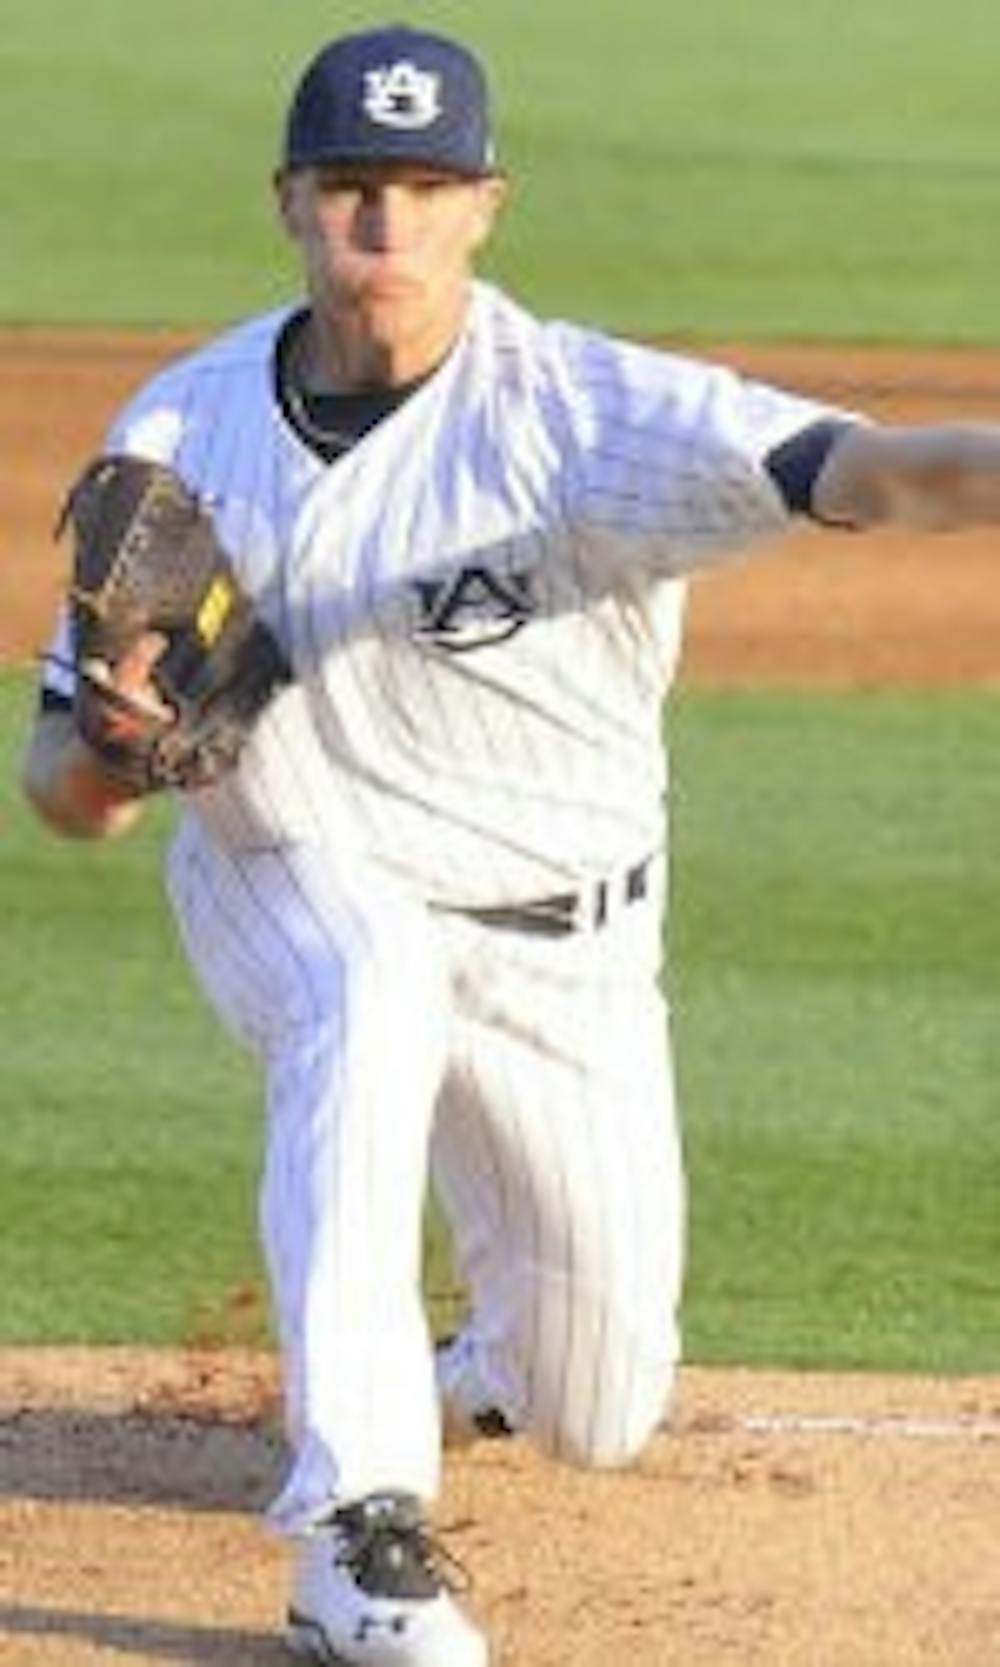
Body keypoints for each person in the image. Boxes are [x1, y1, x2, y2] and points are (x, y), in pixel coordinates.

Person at [21, 22, 1000, 1667]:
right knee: (372, 973)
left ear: (487, 204)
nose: (383, 228)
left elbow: (873, 472)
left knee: (595, 1407)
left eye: (419, 187)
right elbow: (59, 780)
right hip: (294, 881)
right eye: (349, 188)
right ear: (289, 203)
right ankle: (354, 1532)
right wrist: (113, 756)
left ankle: (471, 1366)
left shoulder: (589, 417)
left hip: (574, 951)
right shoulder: (185, 432)